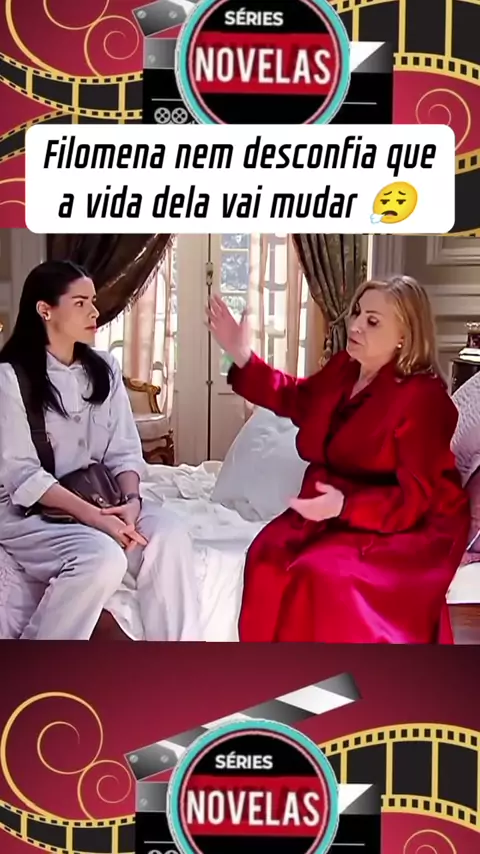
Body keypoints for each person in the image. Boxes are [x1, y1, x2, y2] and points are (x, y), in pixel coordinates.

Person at [206, 276, 470, 643]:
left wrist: (345, 506)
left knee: (322, 573)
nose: (355, 325)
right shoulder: (346, 368)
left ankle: (331, 674)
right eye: (357, 313)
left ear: (404, 336)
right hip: (339, 504)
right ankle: (272, 670)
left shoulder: (424, 399)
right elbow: (299, 399)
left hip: (408, 520)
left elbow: (414, 500)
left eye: (372, 321)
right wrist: (243, 357)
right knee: (268, 554)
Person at [0, 260, 201, 641]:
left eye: (93, 301)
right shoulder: (9, 378)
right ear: (45, 310)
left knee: (170, 534)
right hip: (33, 511)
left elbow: (124, 451)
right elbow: (23, 476)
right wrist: (95, 519)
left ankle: (182, 661)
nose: (94, 312)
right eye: (80, 303)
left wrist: (132, 503)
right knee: (102, 558)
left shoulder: (104, 368)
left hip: (103, 497)